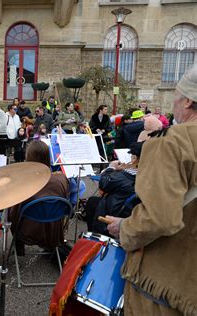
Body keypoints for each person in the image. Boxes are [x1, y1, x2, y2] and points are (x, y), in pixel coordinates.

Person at [106, 66, 197, 316]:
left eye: (176, 96)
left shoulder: (172, 141)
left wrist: (125, 228)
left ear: (188, 100)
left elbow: (160, 218)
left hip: (166, 287)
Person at [8, 141, 69, 254]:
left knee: (9, 213)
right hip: (54, 232)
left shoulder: (23, 183)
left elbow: (13, 215)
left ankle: (19, 248)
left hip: (28, 233)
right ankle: (51, 247)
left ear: (28, 158)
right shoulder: (62, 179)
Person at [84, 142, 142, 236]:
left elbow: (104, 183)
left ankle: (94, 236)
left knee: (92, 202)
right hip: (131, 211)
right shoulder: (150, 174)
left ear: (135, 158)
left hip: (115, 211)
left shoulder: (124, 177)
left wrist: (111, 167)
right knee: (93, 201)